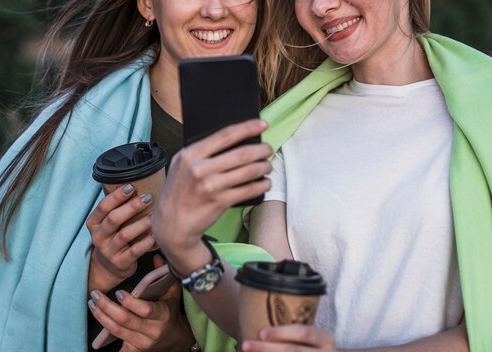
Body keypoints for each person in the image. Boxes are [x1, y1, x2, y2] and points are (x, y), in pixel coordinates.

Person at [0, 1, 309, 351]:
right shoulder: (76, 128)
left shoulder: (290, 124)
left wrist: (183, 337)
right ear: (147, 6)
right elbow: (9, 288)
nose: (215, 9)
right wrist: (98, 274)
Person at [150, 0, 492, 351]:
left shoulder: (484, 108)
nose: (321, 6)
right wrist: (186, 250)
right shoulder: (287, 127)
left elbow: (482, 330)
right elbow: (270, 312)